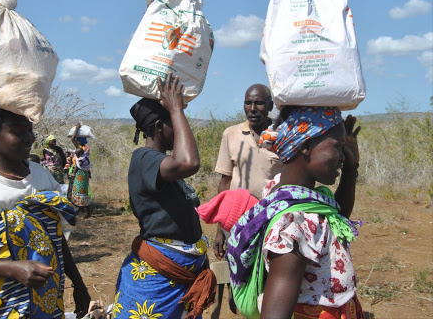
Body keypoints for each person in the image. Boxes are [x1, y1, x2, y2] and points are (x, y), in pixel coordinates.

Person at [0, 103, 91, 318]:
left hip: (48, 302)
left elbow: (56, 240)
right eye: (18, 132)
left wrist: (78, 284)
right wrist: (13, 269)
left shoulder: (41, 176)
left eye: (30, 130)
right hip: (5, 307)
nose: (29, 138)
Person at [227, 106, 364, 319]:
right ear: (306, 146)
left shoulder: (287, 195)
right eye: (337, 148)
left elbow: (337, 216)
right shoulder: (292, 225)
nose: (342, 157)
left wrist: (350, 169)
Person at [112, 73, 216, 319]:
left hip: (178, 279)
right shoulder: (144, 159)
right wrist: (176, 109)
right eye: (175, 123)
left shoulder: (163, 165)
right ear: (159, 127)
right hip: (157, 280)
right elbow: (189, 162)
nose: (181, 128)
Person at [212, 84, 282, 317]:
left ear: (270, 106)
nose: (253, 108)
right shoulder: (231, 134)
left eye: (259, 103)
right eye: (248, 103)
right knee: (241, 281)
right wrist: (220, 229)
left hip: (272, 222)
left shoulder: (282, 134)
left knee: (269, 280)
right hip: (238, 224)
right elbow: (225, 181)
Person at [70, 123, 92, 218]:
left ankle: (86, 211)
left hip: (80, 172)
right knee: (81, 190)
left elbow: (72, 139)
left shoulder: (81, 149)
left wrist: (77, 128)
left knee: (81, 191)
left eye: (77, 141)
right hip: (84, 172)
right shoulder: (85, 149)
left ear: (79, 142)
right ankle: (81, 208)